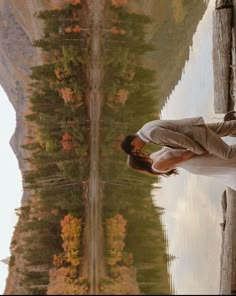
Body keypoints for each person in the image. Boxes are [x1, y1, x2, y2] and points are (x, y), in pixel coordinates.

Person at [121, 116, 236, 160]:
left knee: (227, 154)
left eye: (136, 150)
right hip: (192, 127)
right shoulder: (145, 128)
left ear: (133, 143)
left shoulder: (152, 134)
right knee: (227, 127)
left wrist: (199, 150)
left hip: (195, 134)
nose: (140, 150)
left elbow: (180, 139)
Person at [127, 147, 236, 191]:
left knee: (228, 156)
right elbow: (181, 158)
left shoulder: (152, 156)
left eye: (138, 151)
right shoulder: (156, 166)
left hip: (194, 158)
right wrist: (200, 148)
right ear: (138, 160)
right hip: (195, 162)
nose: (141, 151)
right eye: (138, 154)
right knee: (228, 161)